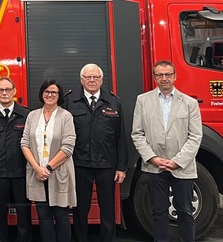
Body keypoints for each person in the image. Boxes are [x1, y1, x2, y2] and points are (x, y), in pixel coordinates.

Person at [131, 60, 202, 242]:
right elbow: (137, 134)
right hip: (155, 167)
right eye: (160, 75)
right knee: (158, 212)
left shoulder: (190, 103)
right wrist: (153, 158)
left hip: (182, 168)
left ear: (175, 76)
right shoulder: (142, 100)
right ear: (154, 77)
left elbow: (195, 137)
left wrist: (177, 161)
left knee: (185, 211)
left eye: (168, 74)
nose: (164, 78)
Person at [63, 63, 127, 242]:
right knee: (79, 208)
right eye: (88, 77)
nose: (92, 80)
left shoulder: (113, 101)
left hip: (106, 164)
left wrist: (121, 167)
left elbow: (120, 136)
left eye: (95, 77)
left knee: (107, 208)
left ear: (102, 79)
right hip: (79, 163)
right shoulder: (69, 100)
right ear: (81, 80)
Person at [20, 80, 76, 242]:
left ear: (59, 96)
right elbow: (24, 143)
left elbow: (68, 147)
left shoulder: (66, 116)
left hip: (59, 174)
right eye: (47, 92)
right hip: (37, 175)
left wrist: (48, 168)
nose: (50, 95)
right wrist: (37, 168)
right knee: (43, 219)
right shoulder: (32, 115)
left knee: (62, 218)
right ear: (42, 94)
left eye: (54, 92)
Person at [0, 77, 32, 242]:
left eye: (7, 89)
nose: (4, 93)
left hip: (21, 172)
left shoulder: (27, 115)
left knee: (24, 214)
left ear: (14, 91)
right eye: (0, 90)